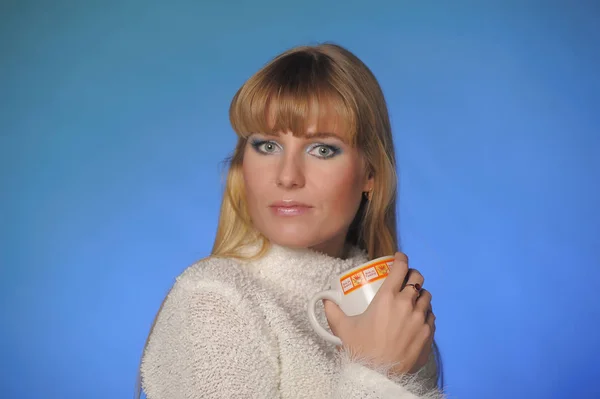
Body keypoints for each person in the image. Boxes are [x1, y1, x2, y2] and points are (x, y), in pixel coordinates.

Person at [136, 42, 446, 399]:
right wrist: (374, 375)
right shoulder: (214, 299)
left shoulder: (392, 309)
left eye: (322, 149)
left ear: (370, 173)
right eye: (268, 146)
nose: (287, 177)